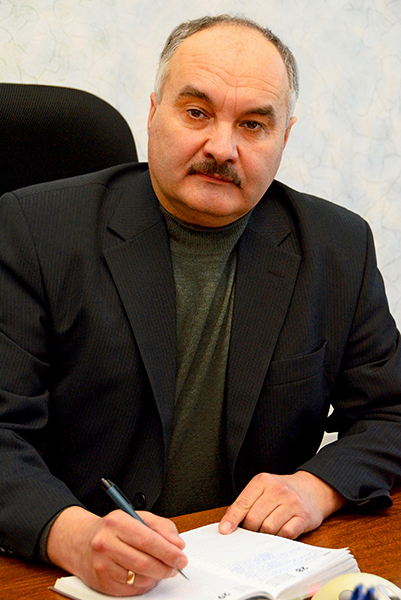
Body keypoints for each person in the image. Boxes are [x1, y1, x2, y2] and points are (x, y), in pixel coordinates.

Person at [0, 13, 400, 598]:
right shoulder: (34, 230)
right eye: (196, 113)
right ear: (153, 112)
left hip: (249, 573)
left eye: (253, 124)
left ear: (284, 138)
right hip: (63, 578)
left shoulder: (337, 247)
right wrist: (73, 535)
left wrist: (317, 487)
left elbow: (392, 412)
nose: (222, 148)